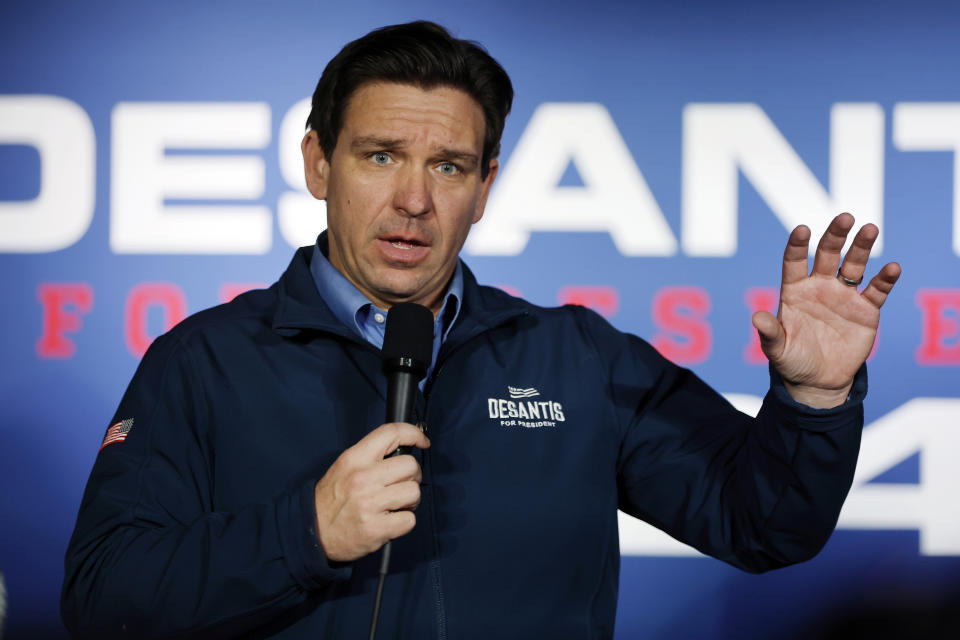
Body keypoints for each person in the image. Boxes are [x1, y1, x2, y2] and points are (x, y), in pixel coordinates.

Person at [61, 21, 901, 639]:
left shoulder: (576, 357)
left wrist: (814, 401)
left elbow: (764, 525)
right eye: (381, 156)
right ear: (319, 163)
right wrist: (304, 533)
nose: (415, 200)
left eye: (449, 166)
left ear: (486, 183)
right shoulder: (204, 361)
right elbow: (104, 600)